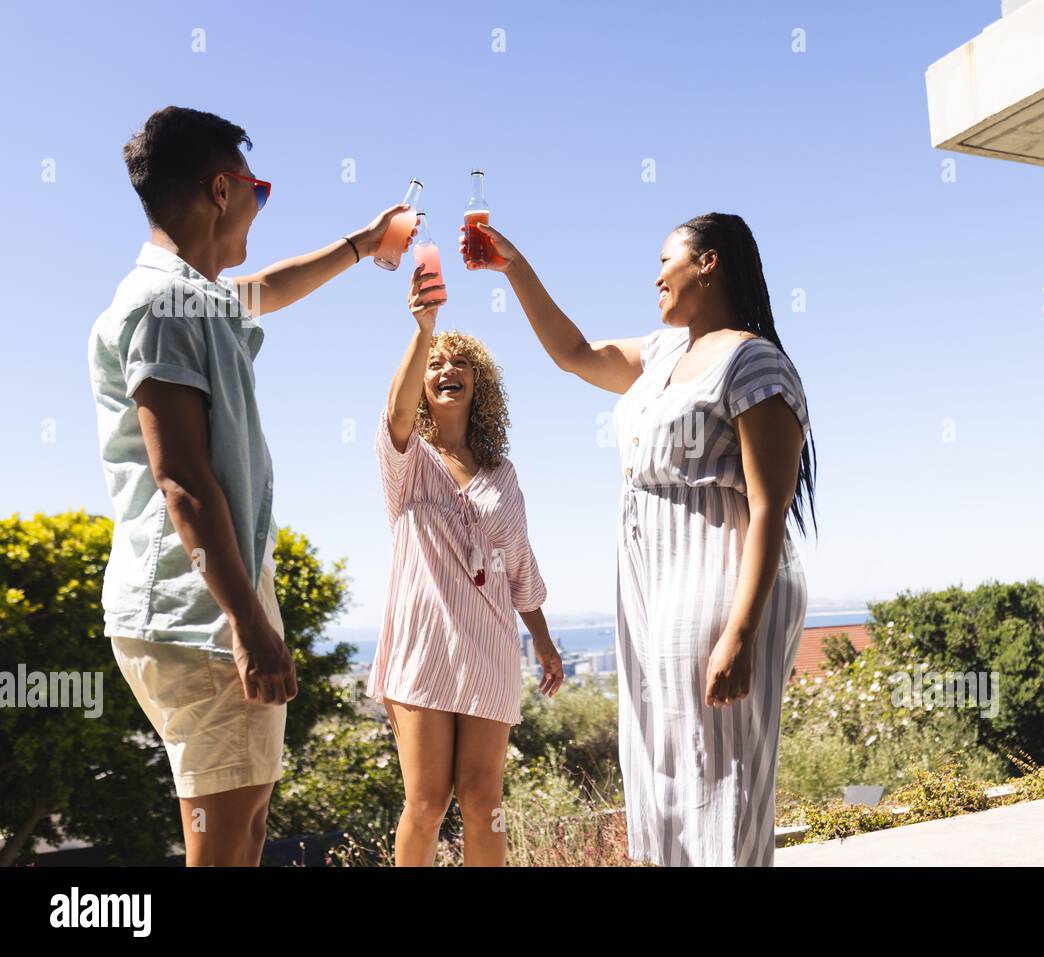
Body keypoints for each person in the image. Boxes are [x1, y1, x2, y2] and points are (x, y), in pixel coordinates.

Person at [87, 105, 416, 866]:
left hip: (197, 604)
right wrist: (246, 621)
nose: (262, 210)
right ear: (224, 190)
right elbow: (184, 479)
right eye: (260, 192)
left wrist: (364, 245)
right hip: (198, 609)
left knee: (244, 828)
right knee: (227, 839)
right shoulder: (161, 306)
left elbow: (267, 286)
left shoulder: (187, 298)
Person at [460, 211, 816, 866]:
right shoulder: (662, 353)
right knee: (660, 766)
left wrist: (739, 634)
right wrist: (513, 265)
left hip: (716, 576)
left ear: (707, 263)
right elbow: (574, 353)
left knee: (717, 771)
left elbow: (769, 506)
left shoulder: (751, 362)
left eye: (664, 260)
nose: (655, 275)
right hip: (651, 583)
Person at [367, 263, 564, 866]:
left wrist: (545, 642)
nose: (445, 369)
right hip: (422, 648)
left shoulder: (503, 475)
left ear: (479, 383)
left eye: (458, 363)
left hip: (489, 647)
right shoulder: (406, 461)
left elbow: (520, 566)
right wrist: (423, 330)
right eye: (435, 364)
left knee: (484, 802)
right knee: (425, 803)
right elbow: (396, 416)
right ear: (422, 381)